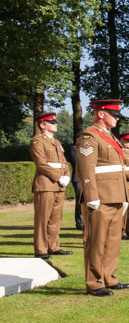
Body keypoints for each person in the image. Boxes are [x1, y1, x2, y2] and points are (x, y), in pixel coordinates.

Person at [75, 99, 129, 296]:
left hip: (115, 195)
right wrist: (91, 194)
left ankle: (109, 277)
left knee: (112, 240)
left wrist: (124, 196)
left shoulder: (110, 137)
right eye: (113, 114)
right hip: (99, 197)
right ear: (100, 114)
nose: (117, 118)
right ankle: (94, 282)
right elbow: (86, 168)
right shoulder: (89, 136)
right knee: (96, 241)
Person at [29, 111, 72, 259]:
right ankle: (41, 249)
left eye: (55, 122)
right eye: (52, 122)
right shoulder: (37, 141)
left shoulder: (57, 142)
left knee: (55, 218)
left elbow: (64, 161)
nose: (55, 124)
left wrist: (67, 175)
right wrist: (59, 176)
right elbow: (41, 164)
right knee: (43, 218)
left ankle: (53, 246)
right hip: (46, 184)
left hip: (59, 184)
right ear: (42, 125)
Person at [68, 133, 84, 230]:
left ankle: (84, 221)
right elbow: (76, 162)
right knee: (80, 200)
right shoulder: (74, 149)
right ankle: (79, 222)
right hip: (78, 178)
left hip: (86, 178)